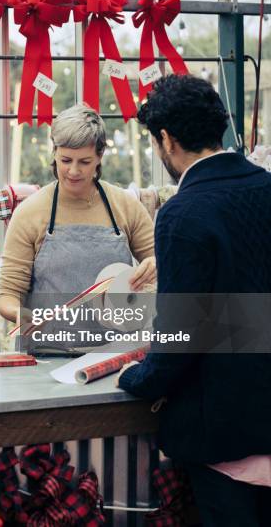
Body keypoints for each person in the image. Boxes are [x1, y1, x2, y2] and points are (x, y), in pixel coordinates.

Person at [117, 74, 271, 526]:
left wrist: (139, 377)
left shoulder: (183, 213)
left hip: (224, 428)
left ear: (166, 139)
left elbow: (181, 333)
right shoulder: (266, 187)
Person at [0, 103, 156, 350]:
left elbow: (160, 263)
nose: (73, 171)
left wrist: (154, 266)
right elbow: (7, 293)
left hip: (114, 353)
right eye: (65, 160)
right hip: (46, 355)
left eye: (84, 161)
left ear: (100, 156)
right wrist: (20, 314)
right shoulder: (30, 212)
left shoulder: (125, 206)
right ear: (54, 153)